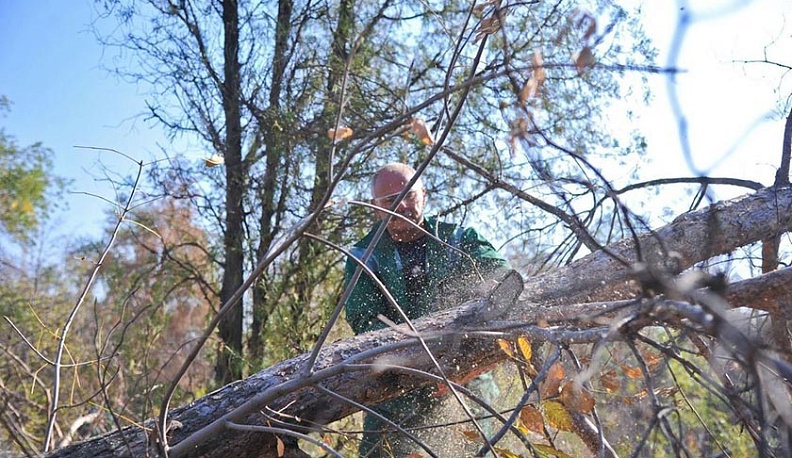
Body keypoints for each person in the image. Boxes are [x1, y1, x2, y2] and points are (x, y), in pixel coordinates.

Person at [343, 162, 511, 457]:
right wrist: (421, 365)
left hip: (467, 382)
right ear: (375, 207)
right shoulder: (363, 257)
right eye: (390, 201)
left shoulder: (459, 240)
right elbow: (366, 322)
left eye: (409, 196)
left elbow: (503, 284)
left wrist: (462, 361)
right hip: (395, 392)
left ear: (425, 195)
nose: (401, 206)